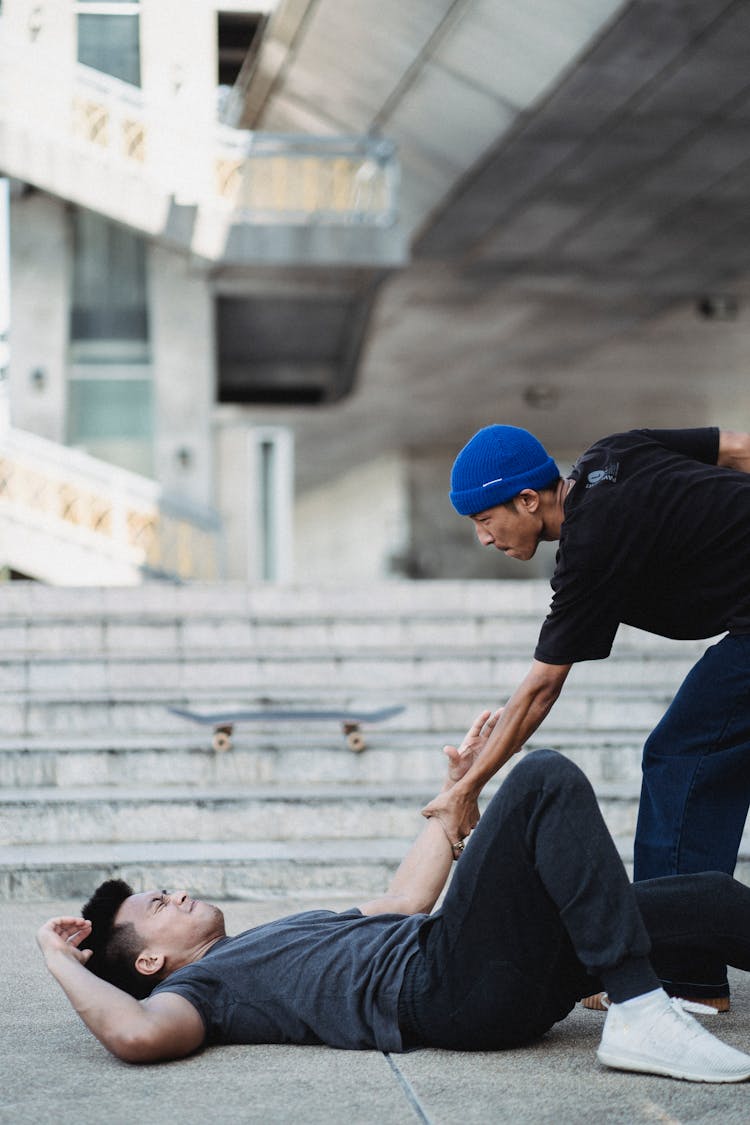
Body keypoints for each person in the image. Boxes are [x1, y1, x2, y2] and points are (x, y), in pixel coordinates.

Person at [37, 711, 750, 1081]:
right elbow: (132, 1035)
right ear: (152, 962)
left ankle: (635, 989)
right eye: (160, 903)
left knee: (710, 898)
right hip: (448, 985)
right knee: (543, 777)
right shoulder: (200, 995)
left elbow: (407, 897)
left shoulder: (269, 937)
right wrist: (57, 956)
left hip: (490, 970)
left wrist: (459, 789)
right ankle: (638, 1010)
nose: (179, 893)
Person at [426, 424, 750, 1010]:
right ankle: (685, 964)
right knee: (695, 750)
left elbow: (541, 688)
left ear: (528, 501)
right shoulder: (614, 451)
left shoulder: (591, 546)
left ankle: (679, 974)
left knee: (683, 755)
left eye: (484, 520)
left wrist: (467, 788)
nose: (482, 539)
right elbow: (736, 446)